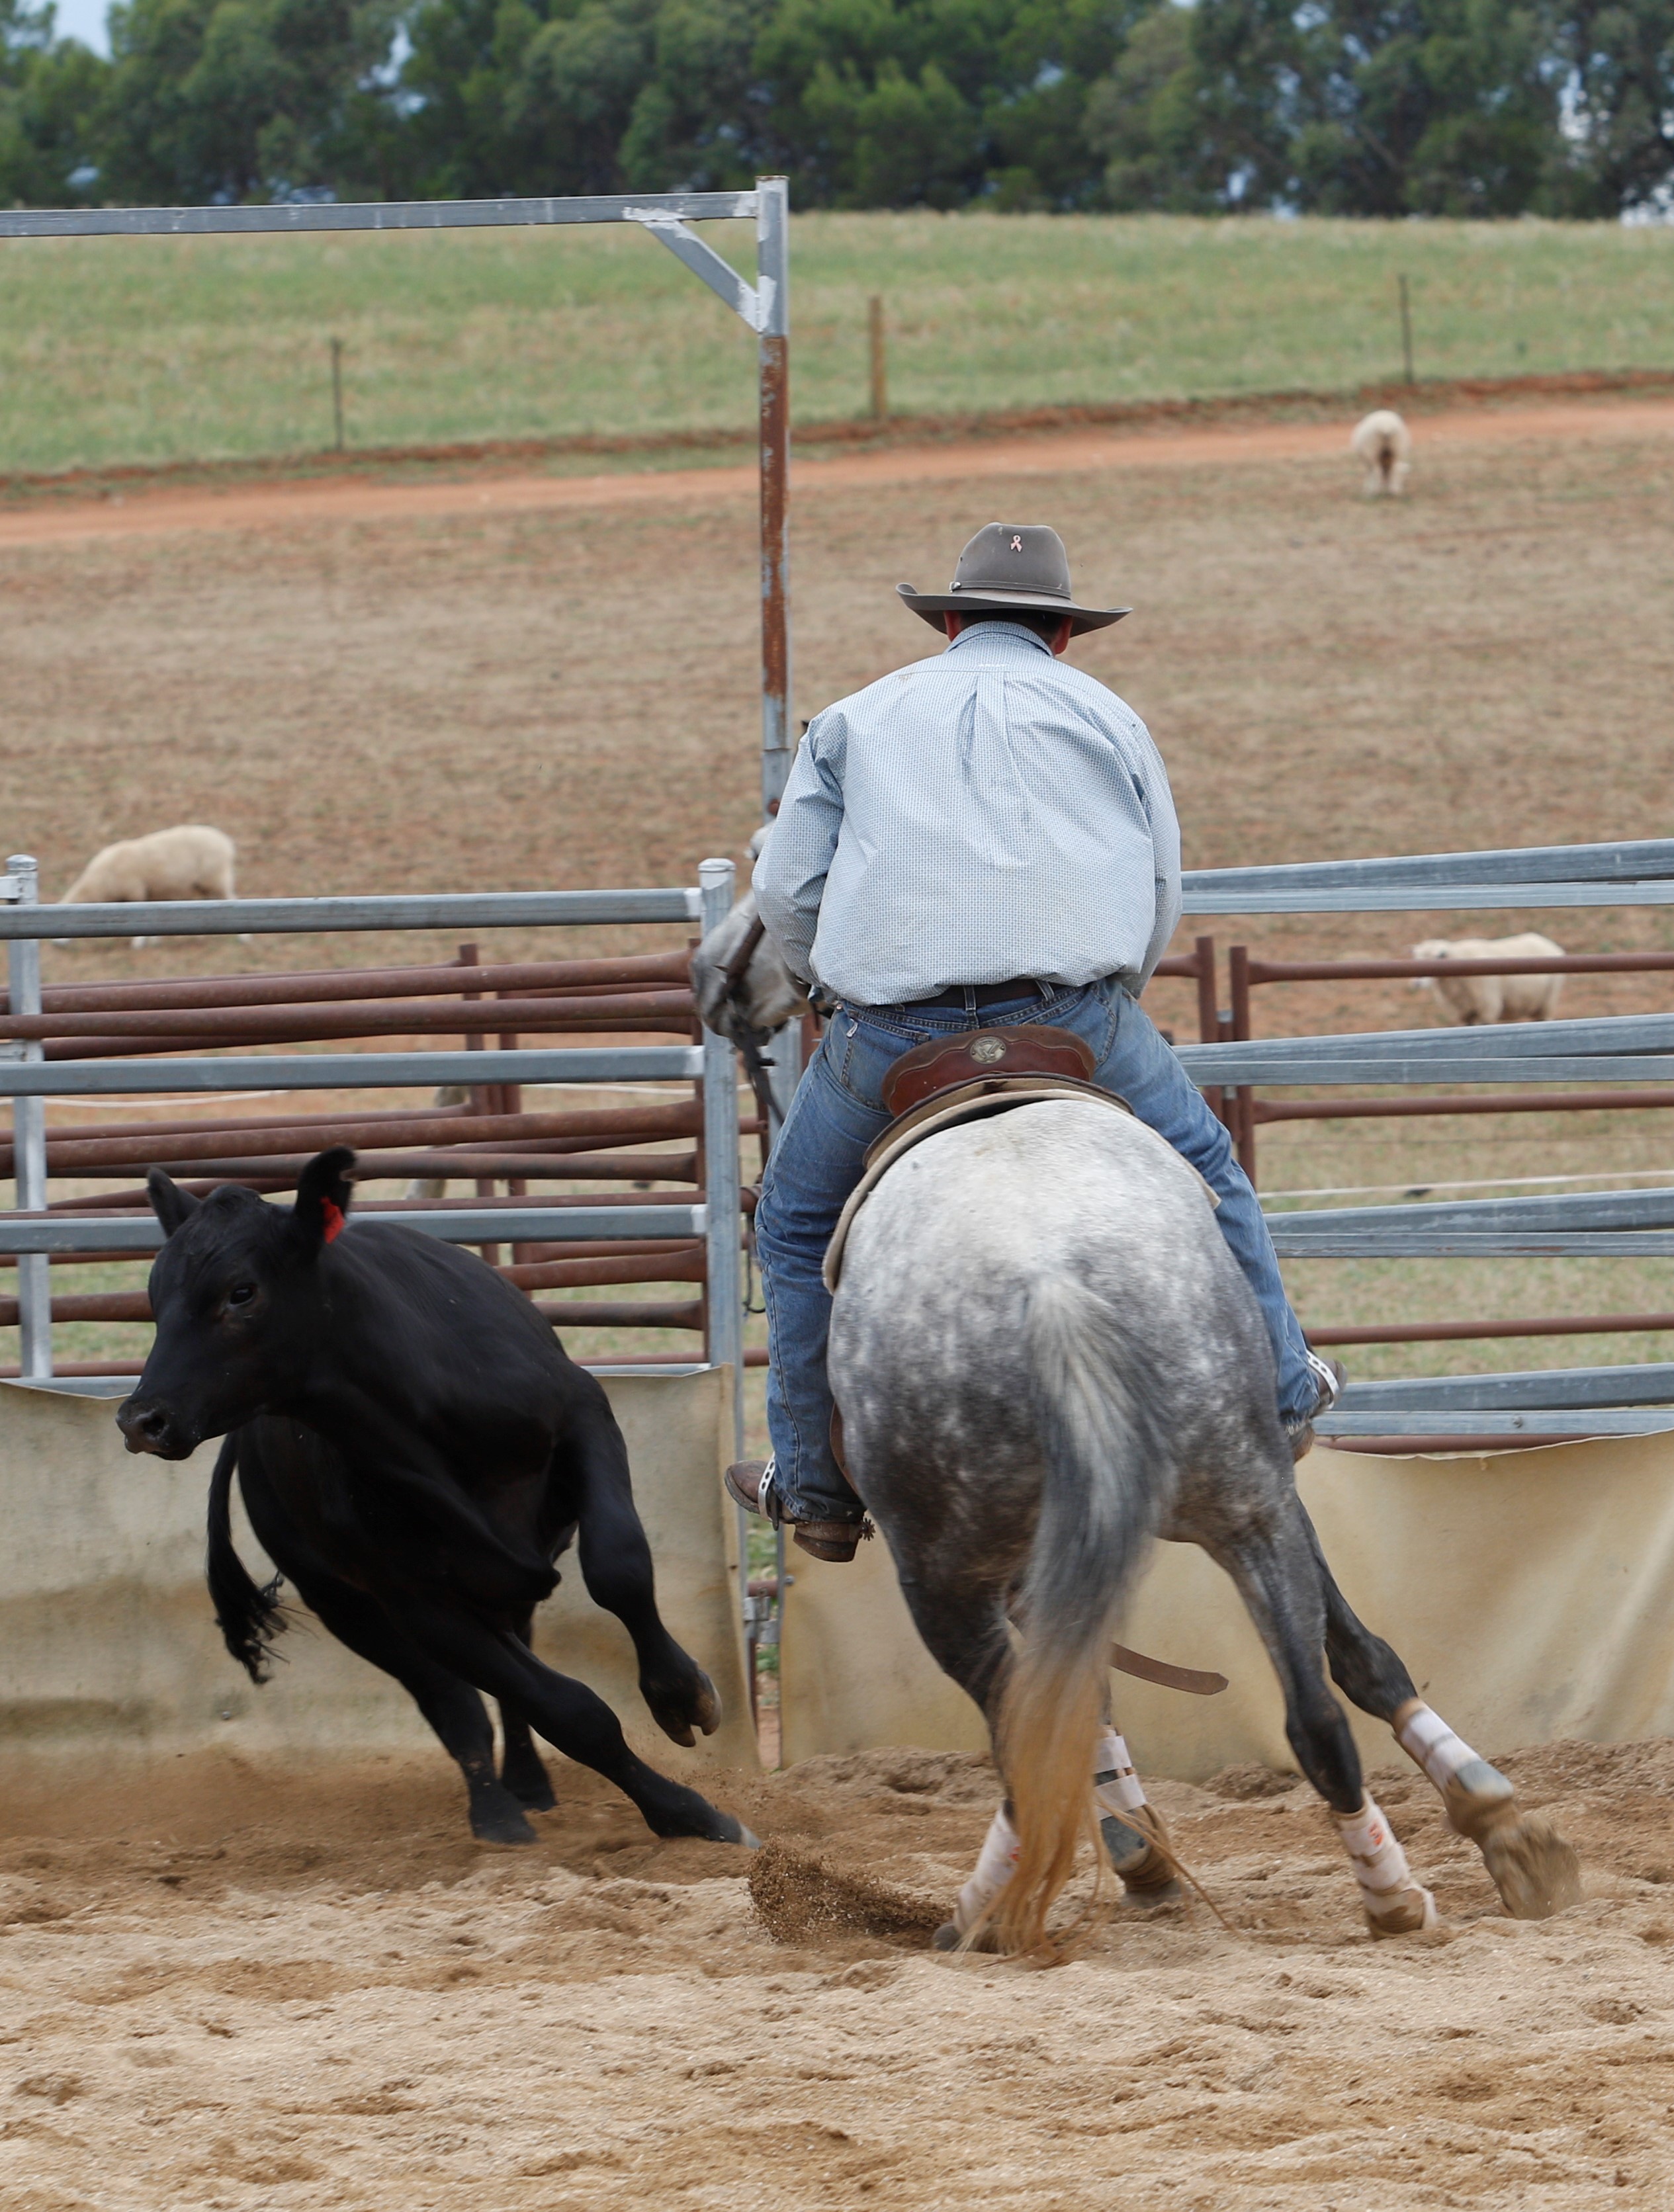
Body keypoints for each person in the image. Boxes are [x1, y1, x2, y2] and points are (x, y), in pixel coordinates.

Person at [726, 522, 1341, 1563]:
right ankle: (1284, 1391)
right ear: (1061, 633)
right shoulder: (1108, 715)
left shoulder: (853, 719)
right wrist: (1114, 994)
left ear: (949, 621)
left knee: (791, 1226)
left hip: (894, 1034)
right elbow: (1158, 880)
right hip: (1072, 1020)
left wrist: (827, 982)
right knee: (1210, 1169)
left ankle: (817, 1487)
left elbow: (787, 890)